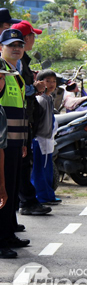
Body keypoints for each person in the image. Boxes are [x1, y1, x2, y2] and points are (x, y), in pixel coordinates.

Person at [11, 20, 52, 216]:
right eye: (32, 36)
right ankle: (26, 201)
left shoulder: (22, 61)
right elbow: (16, 88)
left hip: (23, 118)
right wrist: (33, 88)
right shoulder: (16, 62)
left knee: (23, 162)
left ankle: (24, 202)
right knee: (21, 162)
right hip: (18, 120)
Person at [0, 30, 31, 258]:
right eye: (11, 45)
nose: (16, 48)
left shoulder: (14, 72)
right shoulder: (2, 71)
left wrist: (22, 142)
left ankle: (8, 232)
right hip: (3, 144)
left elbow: (20, 111)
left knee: (10, 190)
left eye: (19, 45)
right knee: (3, 192)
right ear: (1, 47)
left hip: (15, 142)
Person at [0, 57, 22, 258]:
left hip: (13, 143)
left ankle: (6, 236)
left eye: (1, 78)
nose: (1, 82)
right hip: (8, 146)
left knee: (9, 193)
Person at [30, 69, 60, 204]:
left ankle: (49, 195)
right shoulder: (40, 99)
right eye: (47, 81)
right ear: (39, 82)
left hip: (47, 139)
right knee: (40, 171)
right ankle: (41, 197)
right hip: (40, 139)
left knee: (47, 170)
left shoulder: (49, 98)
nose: (51, 84)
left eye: (54, 81)